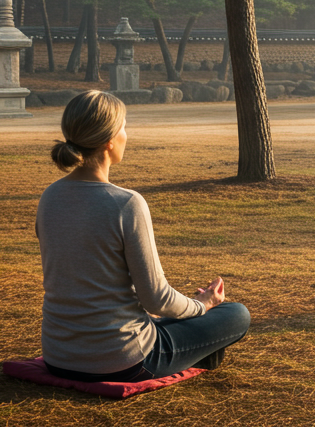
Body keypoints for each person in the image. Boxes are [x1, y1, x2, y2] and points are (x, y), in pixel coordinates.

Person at [37, 90, 250, 382]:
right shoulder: (125, 203)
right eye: (124, 126)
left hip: (58, 356)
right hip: (122, 358)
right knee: (236, 314)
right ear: (109, 140)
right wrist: (204, 305)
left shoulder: (50, 197)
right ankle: (201, 347)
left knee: (169, 320)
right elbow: (157, 300)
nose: (127, 134)